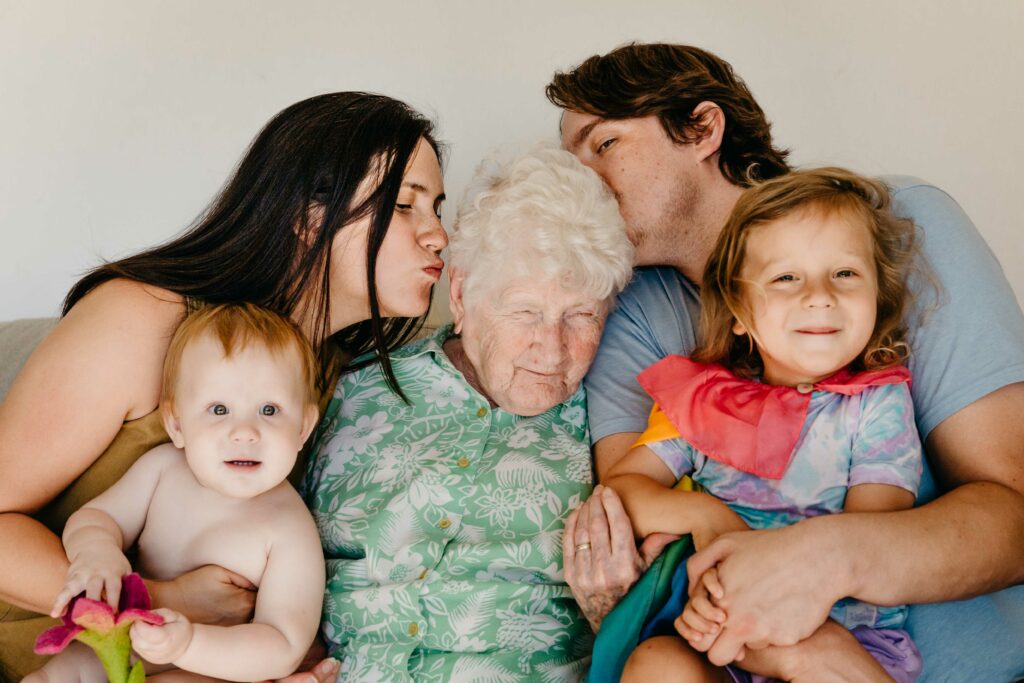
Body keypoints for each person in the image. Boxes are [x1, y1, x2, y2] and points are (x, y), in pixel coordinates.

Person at [548, 43, 1024, 680]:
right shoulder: (628, 311)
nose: (581, 181)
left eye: (601, 144)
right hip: (728, 650)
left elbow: (1015, 514)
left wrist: (820, 568)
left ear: (702, 129)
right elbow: (640, 530)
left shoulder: (898, 224)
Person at [0, 91, 448, 682]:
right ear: (308, 213)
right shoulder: (142, 321)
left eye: (438, 207)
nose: (439, 235)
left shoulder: (338, 376)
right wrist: (161, 600)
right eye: (405, 206)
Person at [303, 145, 634, 681]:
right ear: (460, 294)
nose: (551, 351)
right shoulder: (349, 389)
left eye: (581, 316)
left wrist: (613, 617)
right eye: (525, 312)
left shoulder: (611, 430)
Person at [608, 169, 924, 682]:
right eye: (785, 278)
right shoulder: (703, 400)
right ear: (739, 311)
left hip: (837, 639)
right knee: (655, 664)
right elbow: (623, 489)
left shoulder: (875, 403)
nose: (819, 295)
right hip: (718, 641)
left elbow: (870, 536)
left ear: (878, 296)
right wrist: (704, 514)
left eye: (845, 273)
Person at [27, 303, 325, 682]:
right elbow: (98, 518)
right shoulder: (163, 470)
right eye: (219, 409)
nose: (245, 431)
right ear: (177, 424)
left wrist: (189, 645)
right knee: (55, 677)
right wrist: (97, 552)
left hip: (209, 667)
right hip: (122, 646)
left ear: (303, 427)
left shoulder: (289, 529)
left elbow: (282, 644)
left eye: (269, 409)